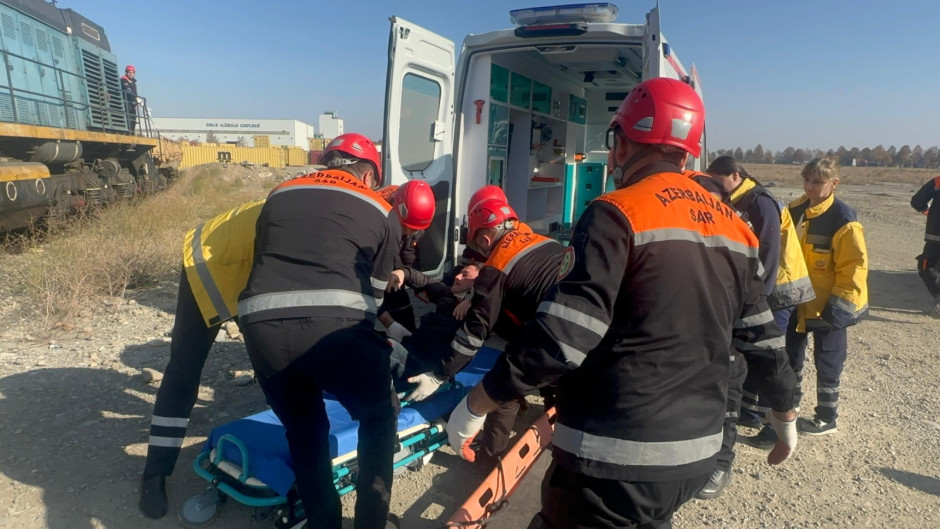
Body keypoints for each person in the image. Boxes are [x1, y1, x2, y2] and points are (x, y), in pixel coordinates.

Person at [447, 78, 799, 529]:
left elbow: (563, 337)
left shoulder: (616, 213)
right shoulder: (736, 227)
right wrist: (785, 412)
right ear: (686, 154)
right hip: (695, 457)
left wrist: (477, 403)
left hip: (614, 459)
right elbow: (762, 336)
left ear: (623, 143)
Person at [238, 132, 402, 529]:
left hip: (262, 328)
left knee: (305, 431)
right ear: (368, 176)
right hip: (336, 332)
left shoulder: (278, 193)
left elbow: (265, 259)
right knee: (379, 416)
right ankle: (371, 523)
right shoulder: (381, 208)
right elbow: (375, 296)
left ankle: (323, 524)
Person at [410, 196, 565, 468]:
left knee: (504, 386)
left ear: (484, 240)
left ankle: (488, 462)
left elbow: (474, 332)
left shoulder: (498, 263)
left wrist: (439, 375)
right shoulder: (544, 242)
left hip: (556, 335)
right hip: (587, 328)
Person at [697, 156, 815, 498]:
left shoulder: (760, 201)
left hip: (777, 291)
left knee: (769, 352)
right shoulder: (735, 198)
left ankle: (772, 423)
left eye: (719, 180)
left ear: (736, 175)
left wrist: (753, 300)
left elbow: (767, 255)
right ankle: (750, 413)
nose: (715, 186)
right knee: (746, 358)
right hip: (756, 290)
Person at [138, 199, 264, 519]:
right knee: (184, 368)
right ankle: (154, 473)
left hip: (254, 265)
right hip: (210, 260)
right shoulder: (339, 212)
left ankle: (277, 450)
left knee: (274, 362)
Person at [787, 156, 868, 436]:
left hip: (829, 305)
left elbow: (854, 267)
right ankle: (789, 407)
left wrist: (841, 307)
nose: (809, 187)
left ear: (834, 183)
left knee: (828, 361)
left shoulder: (843, 219)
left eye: (818, 182)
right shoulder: (794, 210)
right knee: (790, 356)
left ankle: (827, 417)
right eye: (806, 180)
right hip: (797, 301)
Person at [377, 180, 437, 341]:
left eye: (415, 230)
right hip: (371, 263)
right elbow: (365, 279)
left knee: (398, 294)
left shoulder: (416, 218)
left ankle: (408, 340)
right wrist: (388, 322)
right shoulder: (377, 216)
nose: (409, 232)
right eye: (407, 228)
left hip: (394, 258)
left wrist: (411, 277)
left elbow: (410, 252)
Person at [911, 175, 940, 318]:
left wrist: (926, 209)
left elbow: (917, 202)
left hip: (937, 237)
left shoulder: (938, 181)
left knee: (927, 266)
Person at [121, 65, 138, 134]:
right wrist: (135, 99)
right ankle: (128, 133)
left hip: (133, 104)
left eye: (132, 72)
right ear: (126, 72)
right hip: (126, 103)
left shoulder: (134, 83)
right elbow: (128, 90)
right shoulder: (123, 80)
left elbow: (135, 93)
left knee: (133, 120)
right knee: (128, 119)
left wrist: (136, 102)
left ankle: (132, 132)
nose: (131, 74)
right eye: (129, 72)